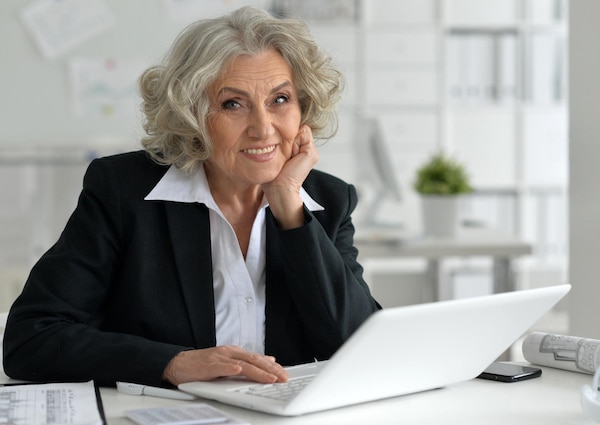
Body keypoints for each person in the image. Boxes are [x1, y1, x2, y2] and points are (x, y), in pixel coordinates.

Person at [2, 6, 380, 388]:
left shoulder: (328, 201)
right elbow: (30, 339)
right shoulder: (123, 191)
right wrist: (171, 363)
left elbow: (363, 351)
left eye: (280, 99)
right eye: (232, 103)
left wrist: (291, 211)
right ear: (192, 115)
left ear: (303, 108)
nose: (263, 129)